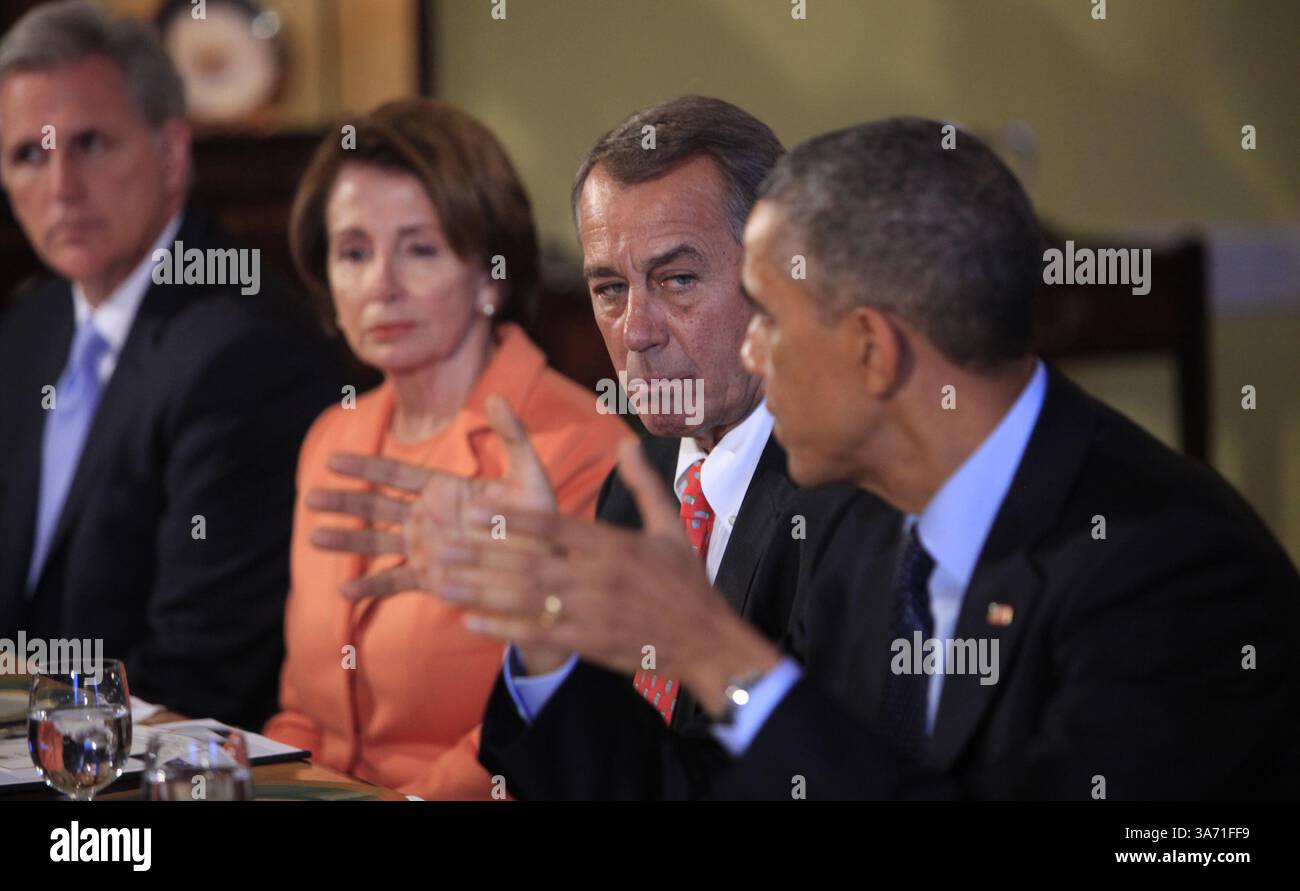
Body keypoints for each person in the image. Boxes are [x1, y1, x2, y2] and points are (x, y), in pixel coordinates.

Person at [437, 117, 1300, 799]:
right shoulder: (874, 532)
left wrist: (719, 659)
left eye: (768, 318)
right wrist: (546, 635)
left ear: (872, 351)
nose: (750, 355)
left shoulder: (1172, 573)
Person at [307, 96, 866, 799]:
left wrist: (704, 645)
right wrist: (540, 629)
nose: (635, 332)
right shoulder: (644, 476)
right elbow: (615, 775)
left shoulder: (854, 499)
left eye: (678, 279)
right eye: (609, 288)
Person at [259, 98, 630, 799]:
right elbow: (302, 711)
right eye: (354, 252)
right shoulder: (331, 436)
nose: (381, 285)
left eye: (419, 248)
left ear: (491, 273)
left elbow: (556, 726)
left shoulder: (581, 447)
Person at [0, 0, 341, 727]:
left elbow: (198, 668)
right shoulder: (29, 325)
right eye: (28, 153)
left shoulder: (244, 345)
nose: (60, 187)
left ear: (171, 152)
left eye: (90, 143)